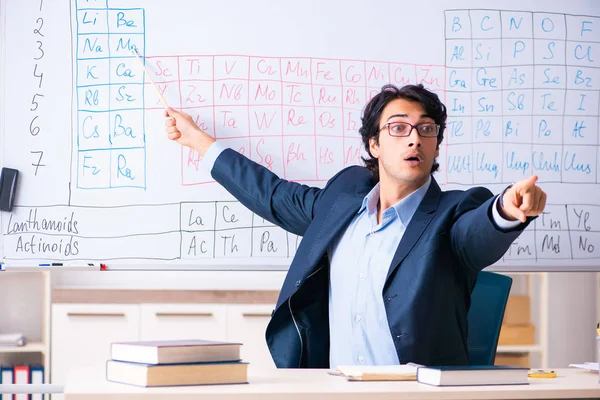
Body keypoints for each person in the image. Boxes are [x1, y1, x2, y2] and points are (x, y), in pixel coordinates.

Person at [164, 84, 546, 368]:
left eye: (426, 129)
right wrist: (197, 140)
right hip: (334, 390)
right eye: (399, 128)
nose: (414, 138)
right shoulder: (342, 200)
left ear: (436, 146)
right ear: (374, 144)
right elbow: (274, 195)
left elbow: (477, 233)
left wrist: (508, 210)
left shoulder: (454, 211)